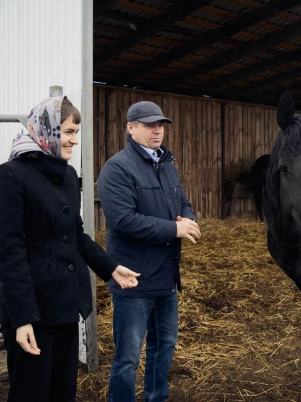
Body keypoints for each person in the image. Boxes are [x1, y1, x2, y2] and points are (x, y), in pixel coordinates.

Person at [0, 96, 140, 402]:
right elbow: (10, 252)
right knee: (30, 393)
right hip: (32, 310)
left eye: (76, 132)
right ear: (45, 130)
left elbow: (76, 235)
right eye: (69, 132)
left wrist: (110, 266)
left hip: (64, 306)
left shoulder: (68, 175)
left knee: (62, 391)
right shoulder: (11, 175)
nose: (75, 140)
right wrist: (22, 319)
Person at [97, 100, 201, 402]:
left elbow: (183, 202)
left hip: (166, 276)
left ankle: (156, 397)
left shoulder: (166, 164)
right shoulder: (117, 168)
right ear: (131, 128)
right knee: (128, 356)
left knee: (164, 345)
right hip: (133, 277)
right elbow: (123, 221)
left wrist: (188, 218)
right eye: (149, 125)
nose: (157, 130)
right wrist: (174, 229)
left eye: (161, 125)